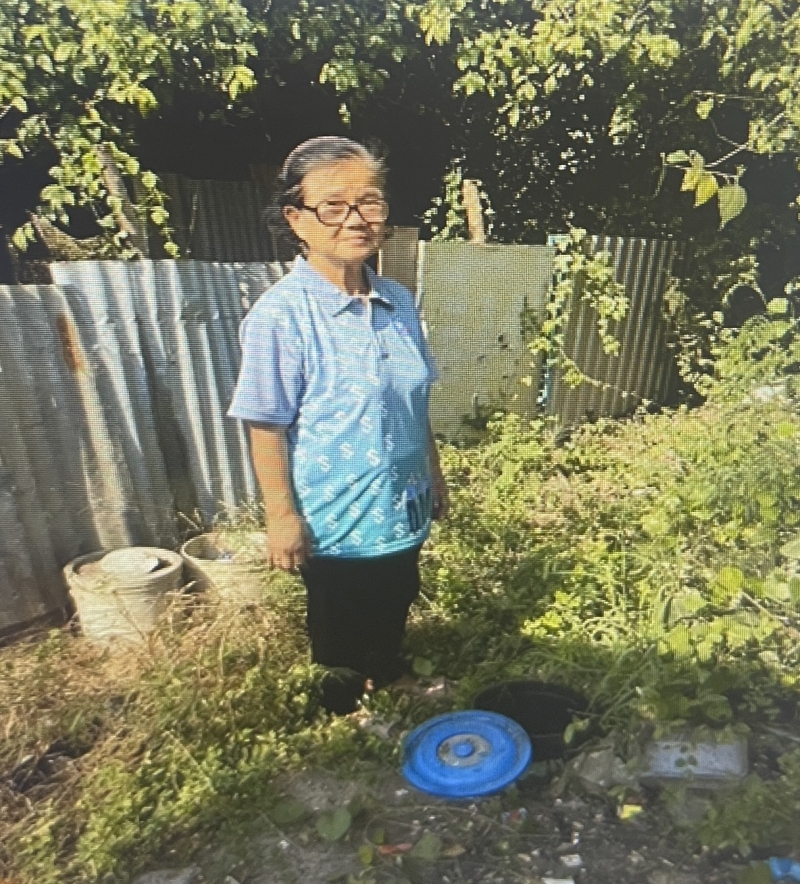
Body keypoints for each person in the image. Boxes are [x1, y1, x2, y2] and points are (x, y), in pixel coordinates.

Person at [228, 136, 448, 708]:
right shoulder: (281, 316)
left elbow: (414, 400)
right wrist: (281, 517)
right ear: (295, 218)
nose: (356, 219)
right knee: (340, 616)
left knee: (398, 589)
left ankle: (387, 675)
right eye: (333, 206)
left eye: (369, 202)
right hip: (335, 515)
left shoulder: (399, 302)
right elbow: (264, 424)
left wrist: (434, 475)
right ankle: (342, 708)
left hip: (403, 499)